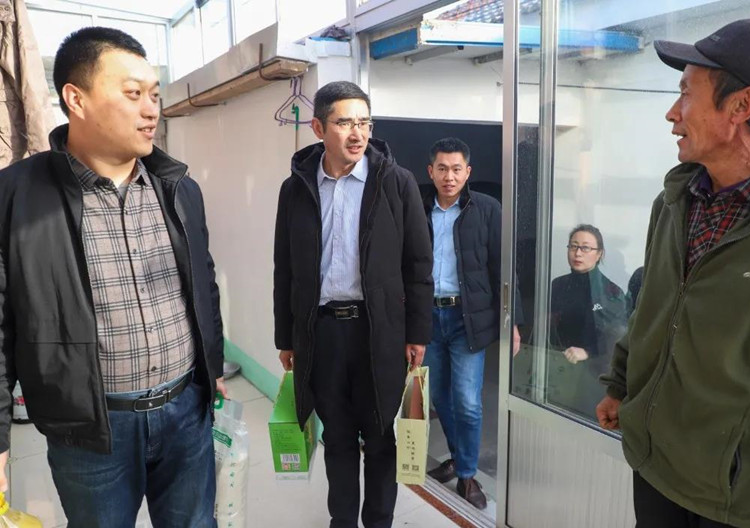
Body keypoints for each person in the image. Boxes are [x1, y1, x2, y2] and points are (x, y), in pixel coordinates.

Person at [0, 27, 225, 527]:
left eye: (155, 95)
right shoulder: (17, 197)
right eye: (133, 94)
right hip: (89, 432)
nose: (151, 110)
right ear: (76, 99)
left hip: (186, 412)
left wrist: (212, 366)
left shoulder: (178, 187)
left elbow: (203, 283)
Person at [596, 19, 750, 527]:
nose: (672, 112)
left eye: (686, 93)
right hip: (654, 466)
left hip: (738, 500)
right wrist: (620, 384)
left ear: (742, 106)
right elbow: (650, 309)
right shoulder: (675, 200)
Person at [273, 81, 432, 528]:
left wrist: (417, 333)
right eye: (344, 122)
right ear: (318, 127)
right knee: (338, 436)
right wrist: (286, 336)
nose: (357, 133)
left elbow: (419, 264)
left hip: (378, 332)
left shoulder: (395, 182)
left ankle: (378, 521)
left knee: (380, 436)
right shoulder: (296, 188)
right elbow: (284, 267)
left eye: (364, 122)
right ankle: (341, 521)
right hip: (322, 331)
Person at [421, 138, 521, 510]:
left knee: (467, 402)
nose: (449, 176)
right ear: (431, 171)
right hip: (427, 319)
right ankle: (458, 455)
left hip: (467, 319)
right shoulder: (416, 208)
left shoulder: (487, 209)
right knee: (439, 397)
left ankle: (466, 474)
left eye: (456, 169)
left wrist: (512, 320)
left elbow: (503, 267)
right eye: (442, 169)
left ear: (468, 172)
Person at [548, 224, 626, 418]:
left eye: (585, 248)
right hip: (558, 367)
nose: (578, 253)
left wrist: (588, 351)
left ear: (599, 254)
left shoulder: (611, 291)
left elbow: (616, 338)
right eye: (573, 246)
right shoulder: (557, 285)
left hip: (592, 374)